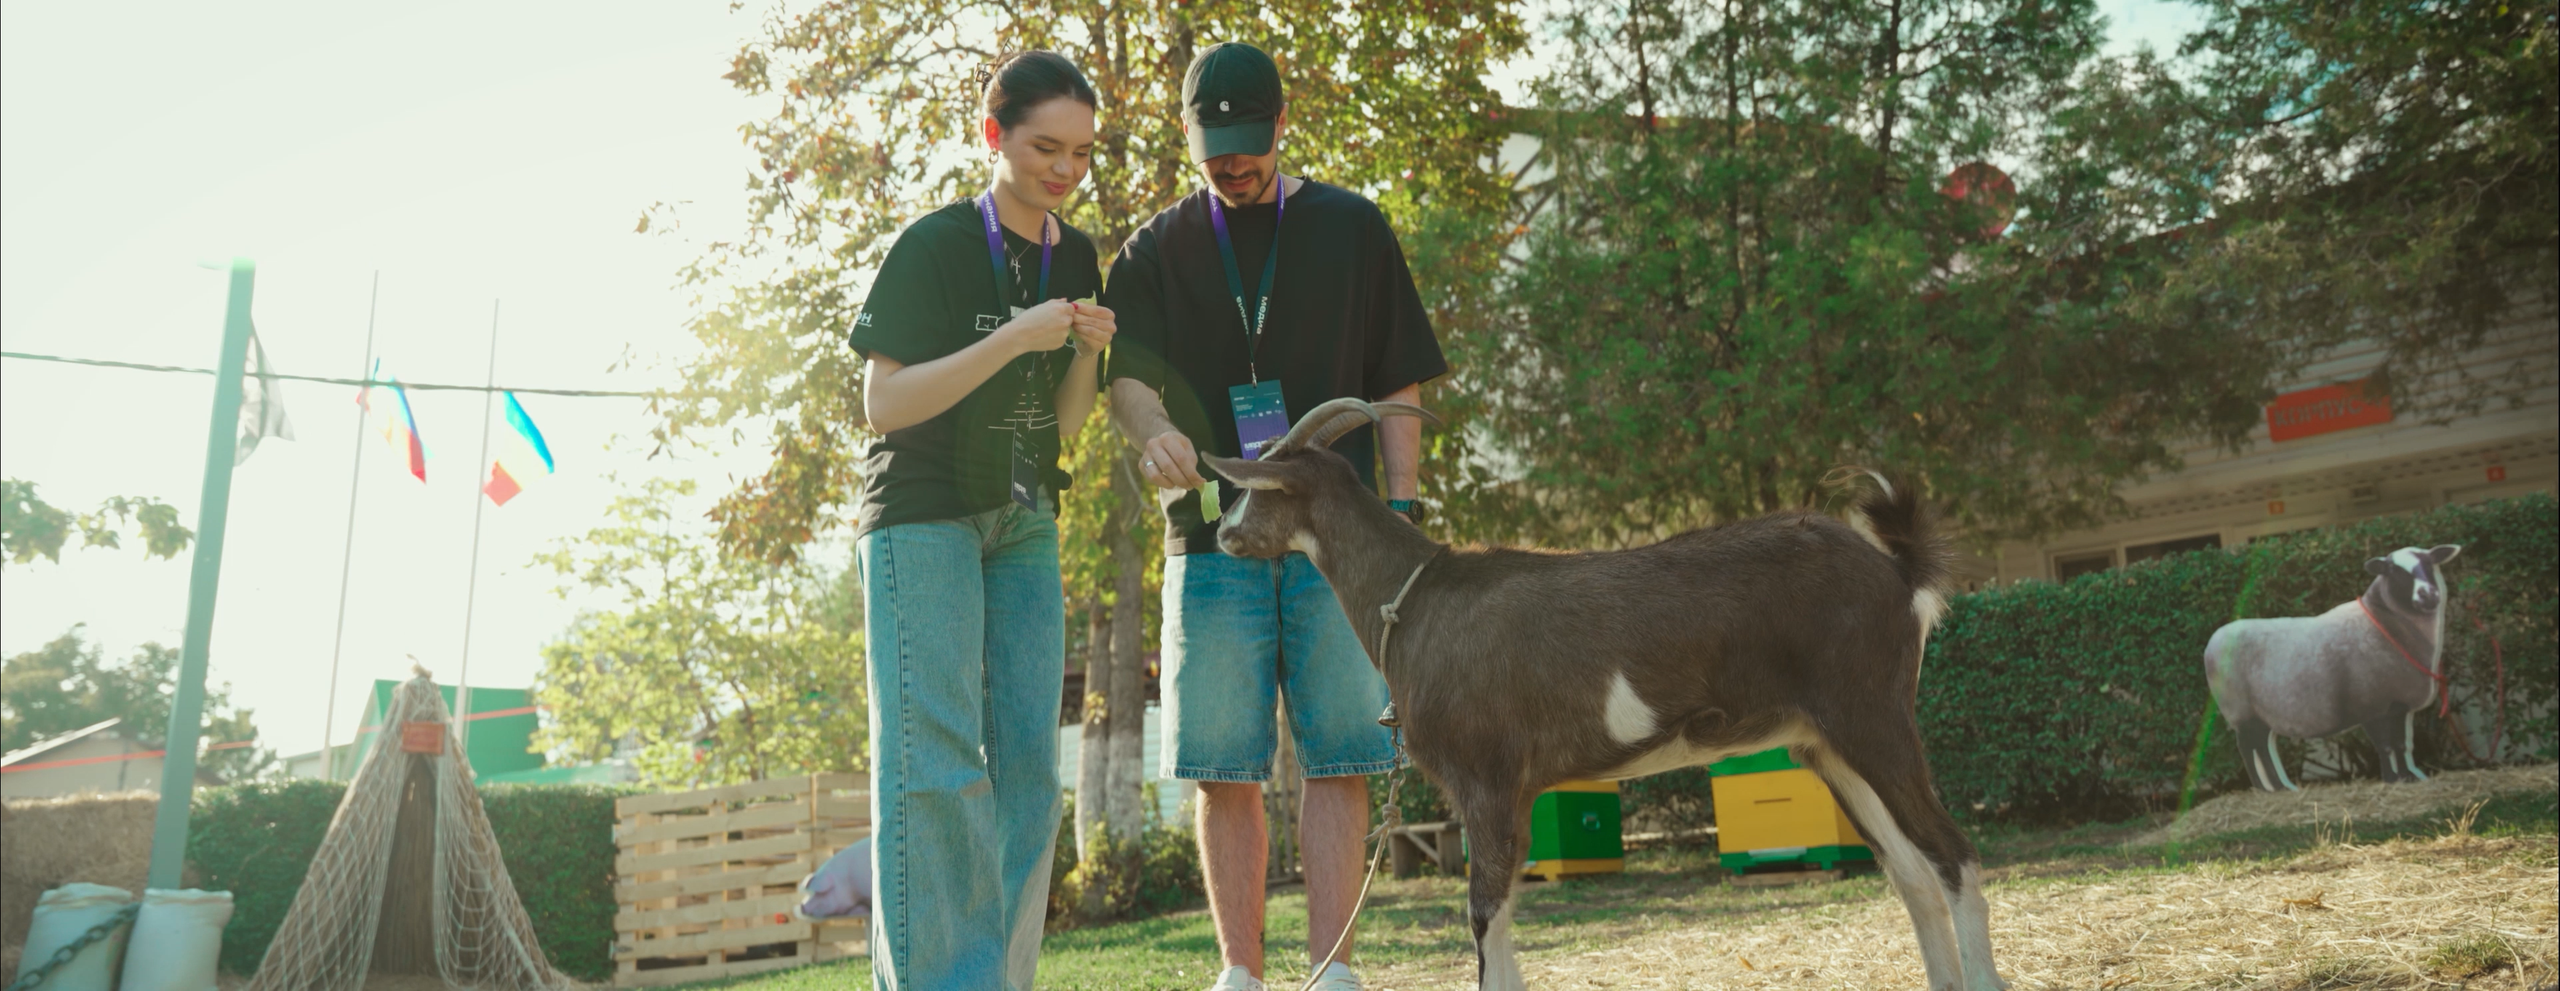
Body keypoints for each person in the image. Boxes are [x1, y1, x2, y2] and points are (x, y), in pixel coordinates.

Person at [1104, 41, 1447, 991]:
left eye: (1250, 144)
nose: (1233, 164)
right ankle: (1241, 975)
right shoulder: (1154, 249)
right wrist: (1155, 432)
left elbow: (1398, 379)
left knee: (1342, 752)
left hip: (1342, 544)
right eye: (1215, 149)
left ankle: (1332, 971)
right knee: (1223, 766)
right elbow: (1126, 378)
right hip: (1212, 537)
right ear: (1187, 136)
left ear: (1284, 124)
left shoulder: (1353, 227)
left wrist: (1403, 508)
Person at [846, 50, 1115, 991]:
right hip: (924, 514)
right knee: (938, 764)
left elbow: (1065, 425)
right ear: (994, 134)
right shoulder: (934, 244)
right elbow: (883, 403)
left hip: (1025, 516)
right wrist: (1010, 339)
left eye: (1083, 153)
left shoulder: (1076, 257)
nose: (1067, 169)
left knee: (1031, 774)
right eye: (1047, 148)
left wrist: (1087, 353)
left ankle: (998, 978)